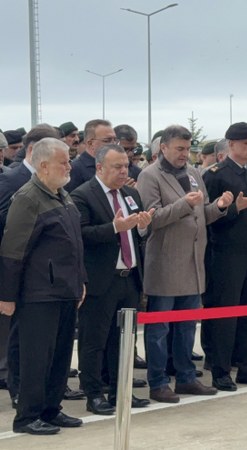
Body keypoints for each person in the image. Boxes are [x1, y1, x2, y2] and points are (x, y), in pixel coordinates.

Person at [137, 125, 233, 403]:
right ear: (162, 148)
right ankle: (158, 382)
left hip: (193, 264)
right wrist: (183, 204)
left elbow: (201, 214)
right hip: (165, 265)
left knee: (187, 326)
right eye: (179, 148)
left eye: (187, 149)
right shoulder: (149, 176)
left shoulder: (193, 174)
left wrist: (221, 206)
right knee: (159, 330)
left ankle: (186, 378)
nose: (184, 154)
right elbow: (152, 219)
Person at [0, 138, 86, 435]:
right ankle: (27, 416)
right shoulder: (28, 198)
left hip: (65, 289)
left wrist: (81, 280)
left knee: (61, 355)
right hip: (39, 293)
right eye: (63, 162)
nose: (69, 166)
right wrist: (7, 296)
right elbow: (13, 250)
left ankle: (51, 409)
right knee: (37, 357)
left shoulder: (61, 194)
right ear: (44, 165)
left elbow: (75, 243)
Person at [70, 144, 154, 414]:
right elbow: (81, 235)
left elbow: (139, 236)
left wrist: (142, 228)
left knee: (125, 340)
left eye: (125, 166)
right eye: (116, 166)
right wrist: (114, 228)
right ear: (99, 168)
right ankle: (94, 393)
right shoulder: (82, 195)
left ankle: (122, 391)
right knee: (94, 341)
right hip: (100, 280)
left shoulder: (130, 194)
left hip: (129, 278)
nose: (122, 171)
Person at [202, 122, 247, 391]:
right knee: (226, 314)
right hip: (227, 255)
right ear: (231, 144)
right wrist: (235, 208)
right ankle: (221, 370)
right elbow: (207, 217)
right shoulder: (216, 175)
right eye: (246, 143)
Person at [65, 120, 118, 192]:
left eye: (115, 140)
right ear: (90, 143)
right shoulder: (75, 169)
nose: (113, 144)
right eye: (107, 141)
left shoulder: (116, 167)